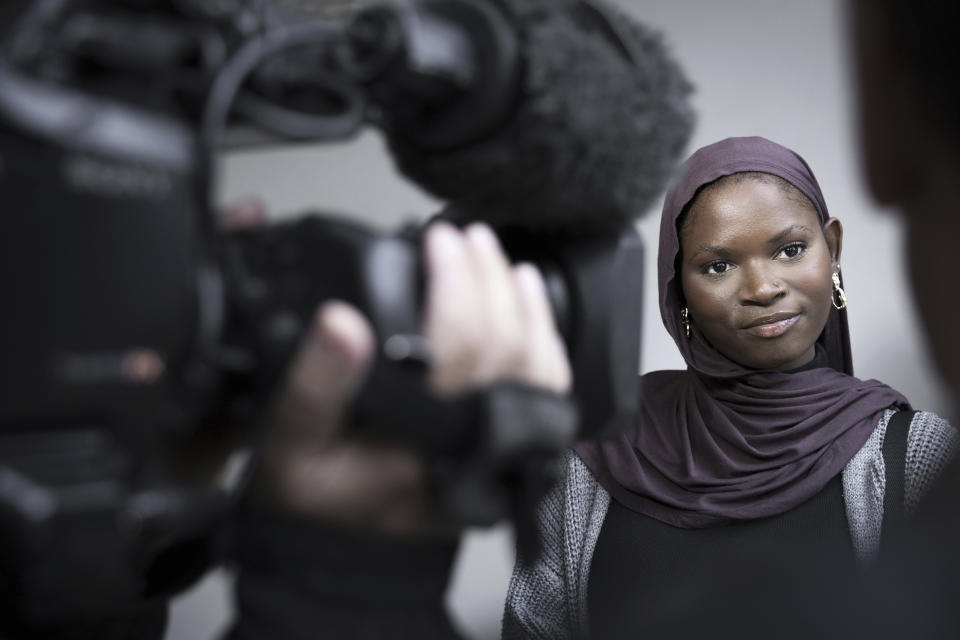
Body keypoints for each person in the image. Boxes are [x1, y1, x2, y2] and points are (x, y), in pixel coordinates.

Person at [501, 136, 959, 640]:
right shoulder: (599, 450)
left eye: (790, 249)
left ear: (832, 250)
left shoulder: (913, 456)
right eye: (718, 266)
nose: (762, 289)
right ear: (680, 292)